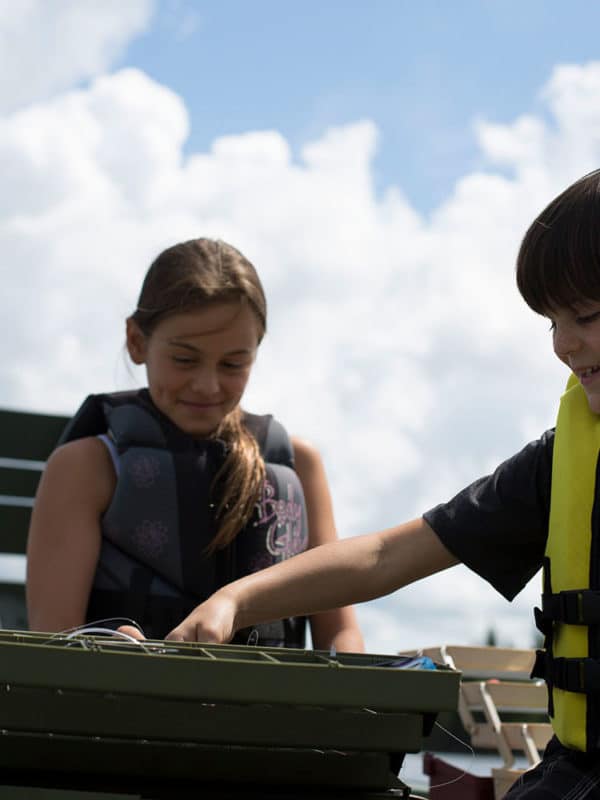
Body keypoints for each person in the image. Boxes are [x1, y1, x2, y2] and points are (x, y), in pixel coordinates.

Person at [162, 171, 600, 799]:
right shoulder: (561, 463)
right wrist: (235, 600)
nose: (563, 344)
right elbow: (386, 555)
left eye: (583, 315)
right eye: (550, 322)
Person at [26, 237, 364, 653]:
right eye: (185, 360)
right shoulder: (86, 466)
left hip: (271, 713)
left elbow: (342, 633)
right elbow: (54, 635)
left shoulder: (301, 466)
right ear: (136, 342)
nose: (207, 385)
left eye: (233, 364)